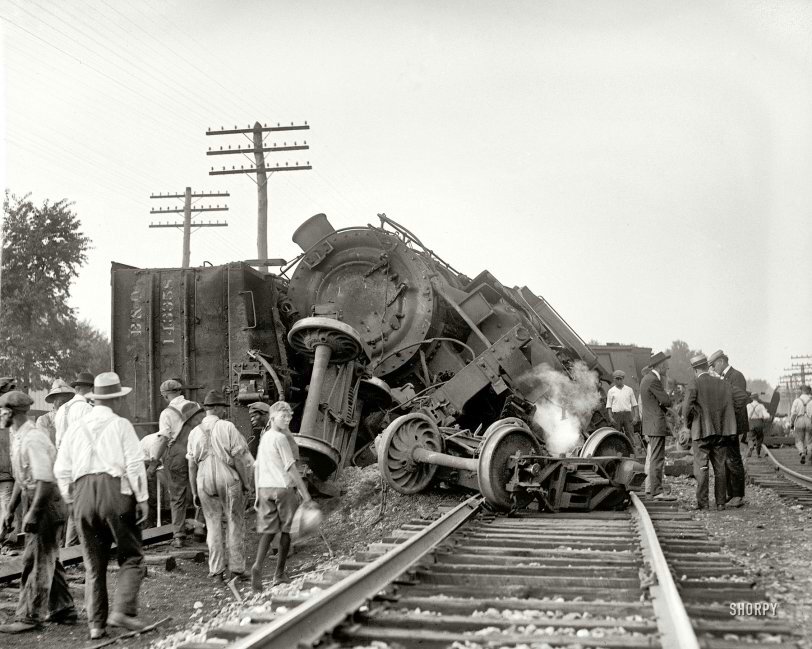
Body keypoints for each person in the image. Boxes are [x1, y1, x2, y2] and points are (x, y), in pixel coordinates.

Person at [53, 372, 149, 639]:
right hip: (114, 491)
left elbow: (61, 469)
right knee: (132, 556)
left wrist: (72, 500)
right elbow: (133, 464)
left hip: (82, 493)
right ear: (116, 400)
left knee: (94, 565)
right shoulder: (121, 425)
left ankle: (96, 625)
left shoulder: (75, 428)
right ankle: (124, 611)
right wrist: (142, 499)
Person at [0, 391, 76, 633]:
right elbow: (23, 480)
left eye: (2, 411)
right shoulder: (18, 436)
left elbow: (44, 481)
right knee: (47, 555)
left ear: (11, 413)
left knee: (35, 560)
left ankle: (29, 617)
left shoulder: (33, 439)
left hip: (46, 502)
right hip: (36, 498)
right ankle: (64, 609)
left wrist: (33, 513)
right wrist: (11, 510)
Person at [187, 391, 254, 581]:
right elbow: (239, 458)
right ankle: (237, 569)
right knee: (234, 522)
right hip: (227, 476)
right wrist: (246, 483)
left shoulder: (194, 432)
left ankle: (216, 572)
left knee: (212, 525)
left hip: (203, 478)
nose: (224, 411)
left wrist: (194, 491)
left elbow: (191, 465)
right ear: (216, 408)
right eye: (223, 408)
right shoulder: (227, 426)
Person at [250, 401, 311, 592]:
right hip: (283, 489)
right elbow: (290, 467)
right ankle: (279, 574)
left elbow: (257, 466)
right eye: (283, 416)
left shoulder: (265, 437)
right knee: (286, 532)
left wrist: (258, 495)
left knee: (268, 531)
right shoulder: (281, 438)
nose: (287, 420)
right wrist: (305, 492)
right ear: (273, 417)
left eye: (289, 416)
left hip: (265, 489)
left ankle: (257, 566)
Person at [149, 379, 202, 549]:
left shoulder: (166, 413)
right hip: (198, 452)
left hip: (177, 456)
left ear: (164, 395)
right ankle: (201, 530)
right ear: (180, 391)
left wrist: (154, 461)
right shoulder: (196, 406)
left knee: (177, 496)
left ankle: (179, 536)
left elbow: (164, 438)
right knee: (201, 490)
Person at [682, 354, 736, 510]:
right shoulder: (722, 383)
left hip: (701, 433)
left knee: (702, 467)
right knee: (720, 467)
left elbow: (687, 407)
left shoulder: (694, 383)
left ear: (695, 369)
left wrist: (688, 424)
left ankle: (703, 503)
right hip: (720, 432)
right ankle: (720, 503)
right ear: (707, 366)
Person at [707, 350, 747, 507]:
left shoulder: (737, 376)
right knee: (727, 459)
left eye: (714, 364)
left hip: (734, 424)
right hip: (727, 425)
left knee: (734, 459)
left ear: (721, 361)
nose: (713, 368)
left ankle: (738, 495)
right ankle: (732, 493)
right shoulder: (725, 377)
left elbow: (740, 400)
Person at [640, 351, 673, 500]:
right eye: (665, 365)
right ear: (659, 366)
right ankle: (657, 491)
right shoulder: (654, 380)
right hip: (656, 424)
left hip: (650, 424)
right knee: (657, 458)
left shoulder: (647, 379)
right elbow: (666, 401)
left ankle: (652, 489)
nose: (667, 368)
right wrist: (666, 397)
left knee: (654, 457)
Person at [55, 371, 94, 450]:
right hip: (79, 456)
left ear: (77, 389)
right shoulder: (87, 408)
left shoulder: (61, 409)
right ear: (92, 389)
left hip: (62, 457)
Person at [605, 370, 641, 454]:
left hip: (627, 415)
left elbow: (635, 405)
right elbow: (609, 406)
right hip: (616, 415)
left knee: (630, 433)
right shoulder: (611, 391)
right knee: (616, 434)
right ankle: (617, 452)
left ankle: (632, 452)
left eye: (620, 379)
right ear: (614, 380)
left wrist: (636, 416)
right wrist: (610, 417)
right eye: (616, 379)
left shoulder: (629, 390)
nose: (618, 381)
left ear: (623, 379)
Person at [37, 380, 75, 446]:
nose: (63, 401)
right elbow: (42, 445)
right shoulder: (44, 420)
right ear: (53, 400)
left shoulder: (73, 417)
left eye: (66, 396)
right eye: (58, 396)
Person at [790, 385, 812, 464]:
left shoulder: (797, 401)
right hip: (809, 420)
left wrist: (792, 424)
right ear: (808, 391)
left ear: (801, 391)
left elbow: (793, 414)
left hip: (799, 420)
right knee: (809, 440)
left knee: (799, 439)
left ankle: (802, 453)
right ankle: (810, 452)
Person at [746, 393, 771, 458]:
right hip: (759, 423)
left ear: (751, 398)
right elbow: (766, 416)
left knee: (750, 437)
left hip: (751, 423)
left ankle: (751, 446)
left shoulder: (748, 406)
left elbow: (745, 415)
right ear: (757, 398)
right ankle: (758, 454)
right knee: (759, 438)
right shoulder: (761, 406)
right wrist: (768, 416)